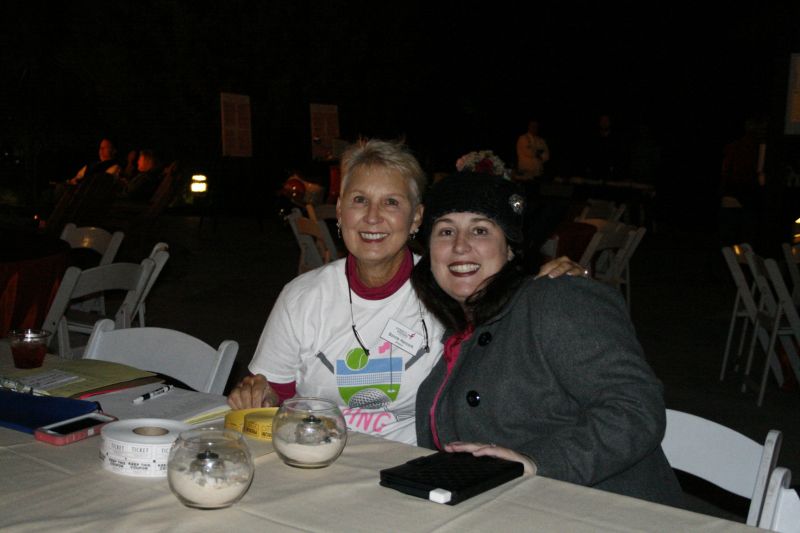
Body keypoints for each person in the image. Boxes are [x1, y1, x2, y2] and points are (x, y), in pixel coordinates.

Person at [227, 139, 585, 444]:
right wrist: (259, 394)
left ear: (416, 218)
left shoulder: (448, 285)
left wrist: (558, 279)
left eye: (391, 203)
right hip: (318, 454)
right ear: (339, 210)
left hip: (414, 463)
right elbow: (273, 398)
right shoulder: (302, 297)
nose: (372, 217)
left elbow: (508, 292)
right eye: (359, 200)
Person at [411, 171, 684, 506]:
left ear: (510, 249)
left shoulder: (554, 300)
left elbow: (636, 409)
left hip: (603, 512)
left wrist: (536, 462)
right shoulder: (461, 329)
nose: (459, 245)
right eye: (446, 231)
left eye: (480, 229)